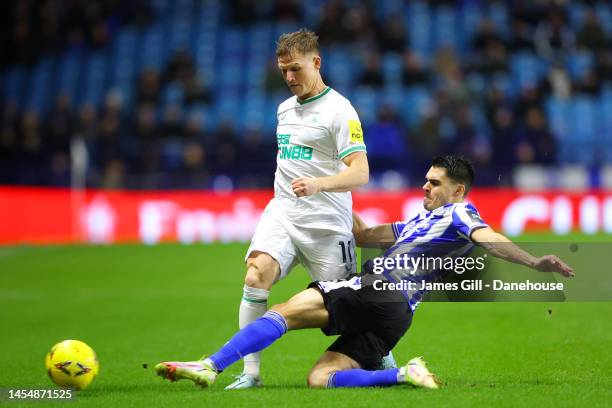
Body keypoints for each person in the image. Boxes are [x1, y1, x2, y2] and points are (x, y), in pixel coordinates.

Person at [155, 156, 574, 389]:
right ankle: (403, 374)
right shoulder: (419, 223)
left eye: (434, 183)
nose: (424, 188)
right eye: (425, 181)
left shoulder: (461, 212)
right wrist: (333, 193)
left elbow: (488, 238)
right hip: (397, 315)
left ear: (457, 190)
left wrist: (535, 262)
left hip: (378, 287)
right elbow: (367, 235)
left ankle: (211, 365)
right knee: (321, 378)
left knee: (282, 311)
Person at [226, 29, 370, 389]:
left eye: (296, 69)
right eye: (283, 71)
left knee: (348, 312)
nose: (290, 78)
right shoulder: (284, 110)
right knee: (255, 275)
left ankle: (384, 360)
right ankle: (251, 373)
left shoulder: (340, 111)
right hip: (284, 212)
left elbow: (360, 172)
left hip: (326, 224)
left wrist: (320, 184)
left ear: (316, 63)